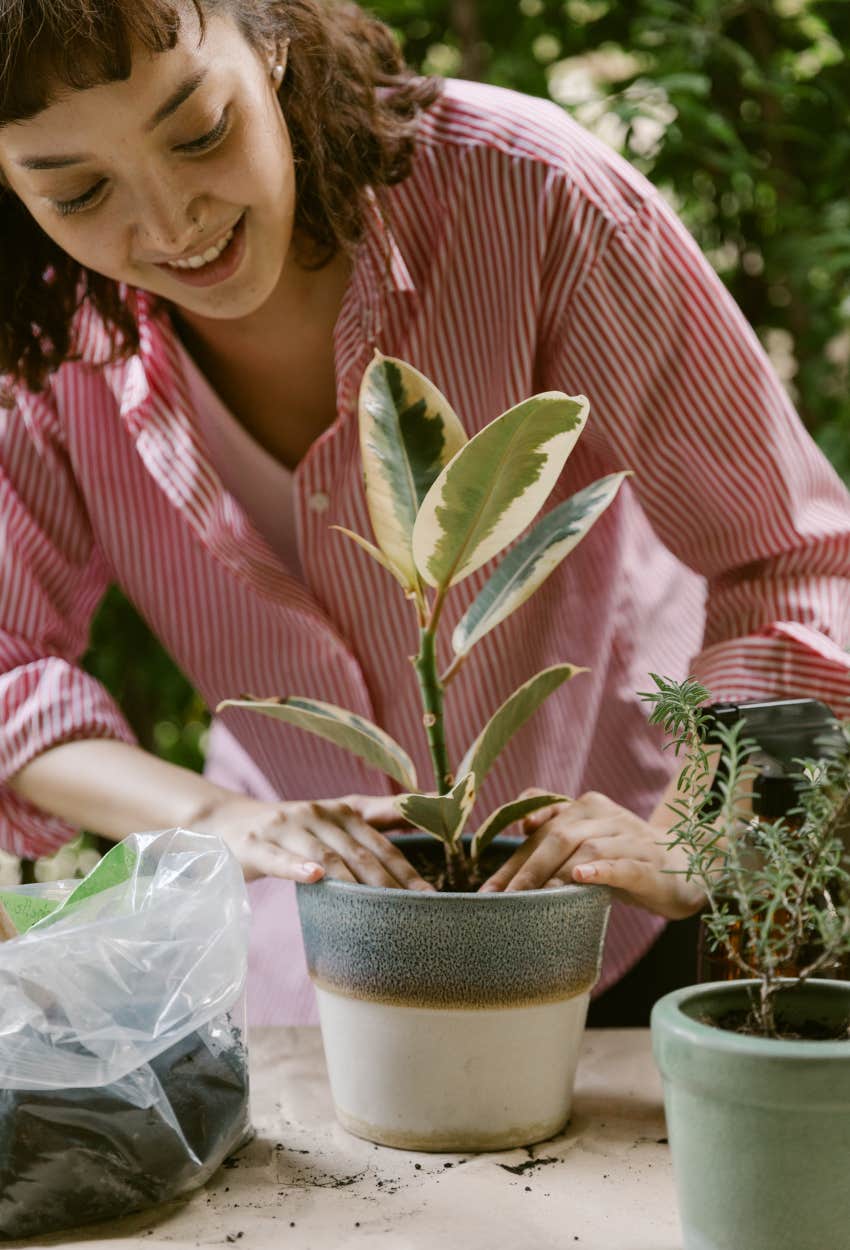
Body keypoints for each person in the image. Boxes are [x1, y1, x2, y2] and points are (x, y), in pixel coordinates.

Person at [0, 0, 848, 1026]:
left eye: (200, 133)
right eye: (79, 190)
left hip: (628, 908)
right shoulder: (39, 325)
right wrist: (217, 816)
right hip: (318, 945)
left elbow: (794, 562)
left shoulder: (528, 195)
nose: (173, 221)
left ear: (270, 35)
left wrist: (696, 833)